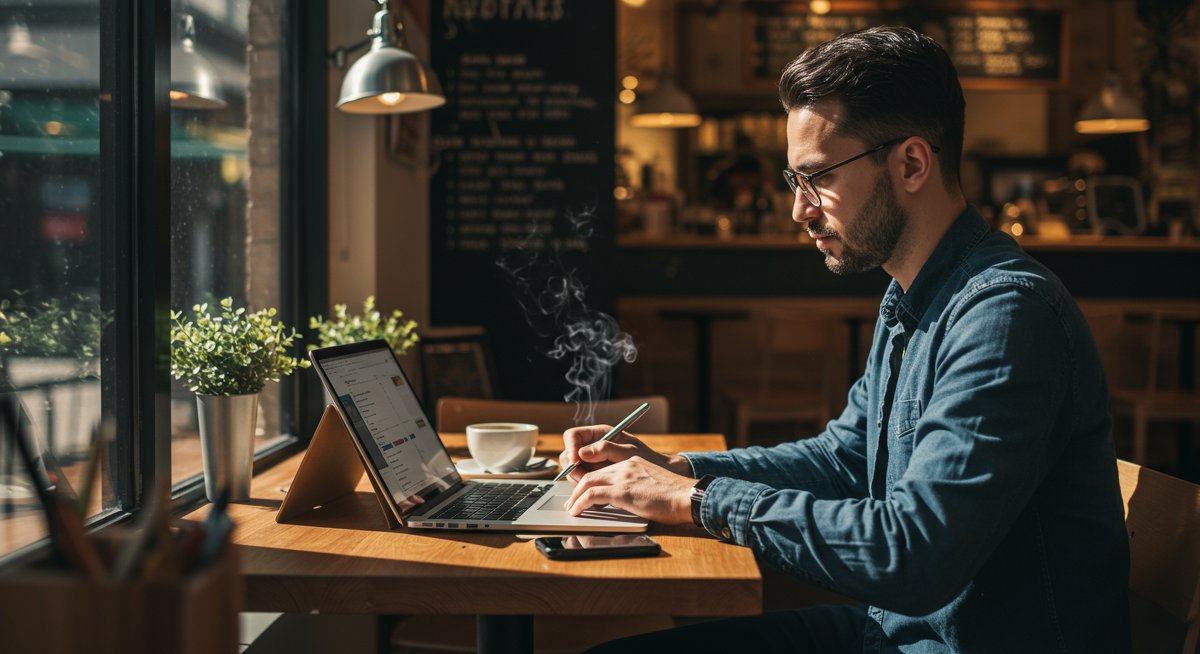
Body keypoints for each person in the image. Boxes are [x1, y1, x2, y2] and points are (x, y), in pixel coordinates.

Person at [560, 26, 1131, 653]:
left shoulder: (1005, 315)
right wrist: (679, 469)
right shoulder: (912, 296)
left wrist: (697, 501)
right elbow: (845, 459)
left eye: (818, 178)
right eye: (793, 181)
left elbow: (912, 556)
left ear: (912, 163)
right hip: (890, 633)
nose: (800, 210)